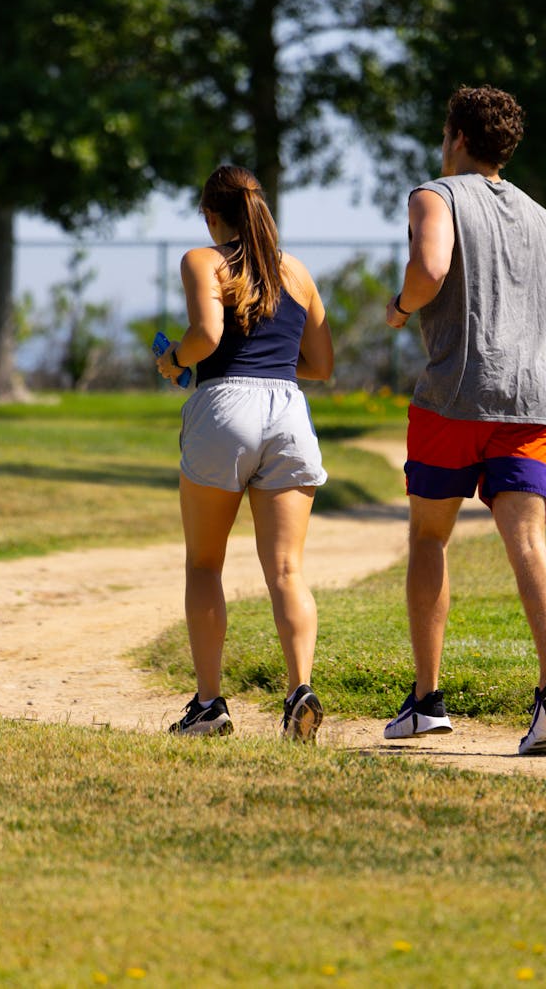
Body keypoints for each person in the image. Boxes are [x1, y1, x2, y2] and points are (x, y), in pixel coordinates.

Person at [383, 84, 546, 756]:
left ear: (458, 138)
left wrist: (404, 305)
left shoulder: (434, 195)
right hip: (529, 401)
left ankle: (427, 699)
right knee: (528, 542)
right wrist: (516, 321)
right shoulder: (542, 216)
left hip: (453, 397)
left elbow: (430, 267)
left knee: (429, 539)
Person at [155, 163, 334, 741]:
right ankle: (299, 691)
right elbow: (323, 366)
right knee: (286, 569)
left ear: (212, 215)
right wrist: (276, 369)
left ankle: (209, 705)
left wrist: (174, 361)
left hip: (224, 404)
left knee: (205, 563)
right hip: (288, 409)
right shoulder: (296, 272)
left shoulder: (202, 260)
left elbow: (207, 336)